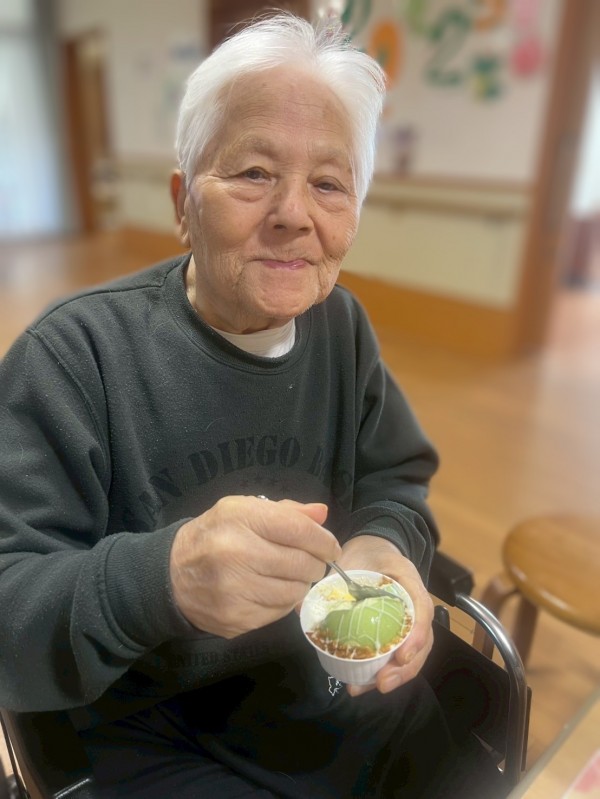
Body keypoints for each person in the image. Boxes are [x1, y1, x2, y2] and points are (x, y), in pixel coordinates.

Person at [0, 13, 503, 799]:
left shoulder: (342, 327)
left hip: (337, 683)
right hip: (156, 723)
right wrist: (165, 578)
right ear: (182, 202)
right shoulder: (74, 359)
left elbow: (395, 477)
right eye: (254, 172)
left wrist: (381, 543)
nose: (294, 214)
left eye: (329, 183)